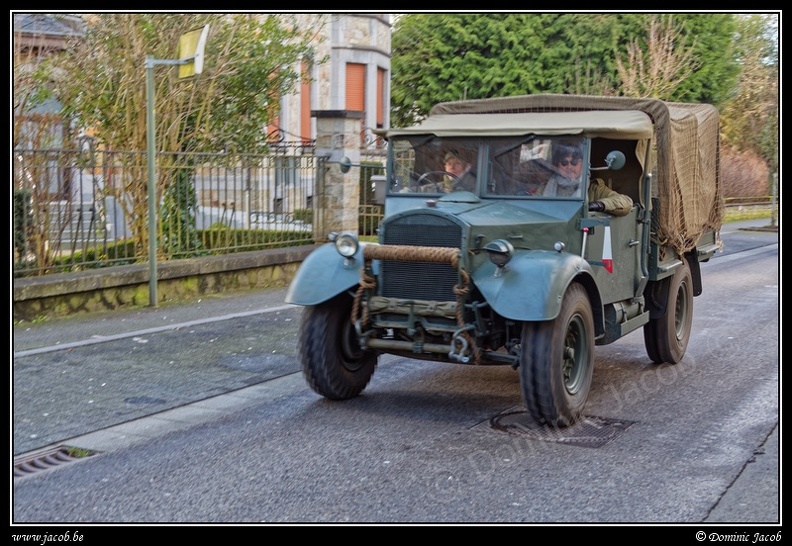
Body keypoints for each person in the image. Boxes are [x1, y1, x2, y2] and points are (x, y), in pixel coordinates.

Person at [543, 142, 633, 216]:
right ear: (557, 165)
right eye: (564, 162)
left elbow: (626, 202)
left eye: (574, 162)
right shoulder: (545, 186)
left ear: (583, 164)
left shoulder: (593, 189)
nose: (569, 167)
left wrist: (599, 205)